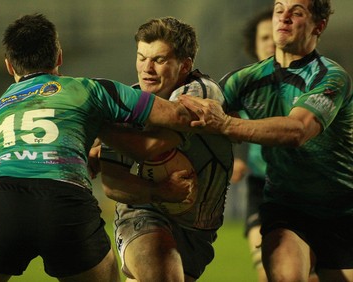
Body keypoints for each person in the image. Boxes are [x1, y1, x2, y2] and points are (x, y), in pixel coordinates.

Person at [0, 14, 199, 282]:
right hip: (66, 203)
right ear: (59, 56)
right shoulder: (90, 89)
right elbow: (178, 117)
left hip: (4, 204)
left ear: (9, 66)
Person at [179, 0, 353, 281]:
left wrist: (226, 124)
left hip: (341, 209)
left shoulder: (331, 77)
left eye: (296, 13)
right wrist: (117, 138)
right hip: (286, 205)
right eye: (278, 10)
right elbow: (188, 116)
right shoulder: (244, 79)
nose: (283, 18)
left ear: (318, 26)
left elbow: (297, 131)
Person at [97, 17, 233, 281]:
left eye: (159, 60)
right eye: (141, 57)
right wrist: (159, 191)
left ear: (185, 65)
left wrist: (102, 129)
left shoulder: (202, 93)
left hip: (198, 228)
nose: (147, 68)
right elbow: (113, 185)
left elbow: (151, 147)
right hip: (142, 214)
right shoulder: (125, 105)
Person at [231, 8, 274, 282]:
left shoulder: (310, 83)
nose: (271, 42)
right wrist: (237, 156)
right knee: (267, 269)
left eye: (274, 36)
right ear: (254, 44)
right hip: (260, 185)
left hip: (303, 186)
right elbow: (229, 122)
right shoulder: (243, 85)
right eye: (264, 37)